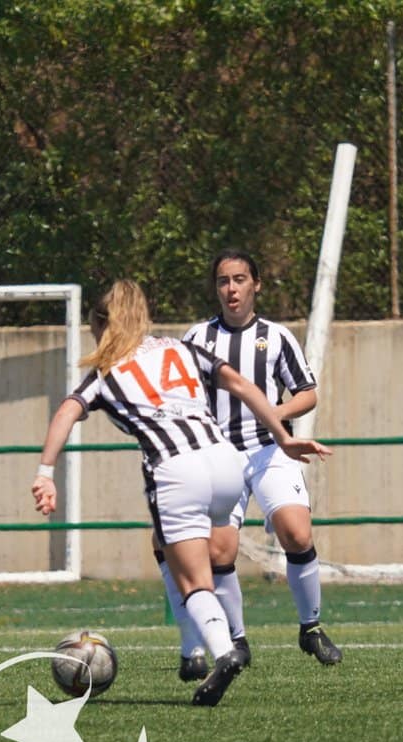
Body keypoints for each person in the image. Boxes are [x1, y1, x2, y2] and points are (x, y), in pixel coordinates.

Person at [31, 280, 331, 706]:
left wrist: (45, 472)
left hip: (176, 470)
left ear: (101, 324)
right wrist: (282, 439)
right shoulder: (179, 348)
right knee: (188, 549)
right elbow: (244, 386)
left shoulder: (103, 373)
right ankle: (196, 648)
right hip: (225, 460)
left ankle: (224, 650)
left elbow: (67, 411)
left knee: (194, 579)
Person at [170, 249, 342, 679]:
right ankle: (237, 640)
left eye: (240, 279)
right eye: (224, 281)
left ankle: (311, 627)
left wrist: (273, 415)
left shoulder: (276, 337)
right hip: (217, 457)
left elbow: (307, 392)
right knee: (219, 551)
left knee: (296, 532)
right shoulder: (197, 339)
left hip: (269, 450)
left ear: (256, 284)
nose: (232, 289)